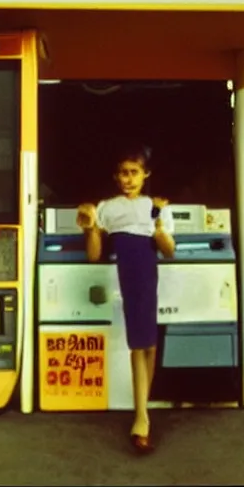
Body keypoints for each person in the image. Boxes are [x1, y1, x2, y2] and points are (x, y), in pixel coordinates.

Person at [76, 145, 175, 454]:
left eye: (134, 172)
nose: (128, 179)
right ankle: (142, 416)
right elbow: (93, 256)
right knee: (140, 343)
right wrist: (90, 226)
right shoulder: (107, 207)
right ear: (116, 177)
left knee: (148, 343)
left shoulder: (155, 205)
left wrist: (157, 222)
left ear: (145, 175)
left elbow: (169, 249)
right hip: (128, 274)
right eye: (123, 173)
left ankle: (142, 413)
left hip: (148, 270)